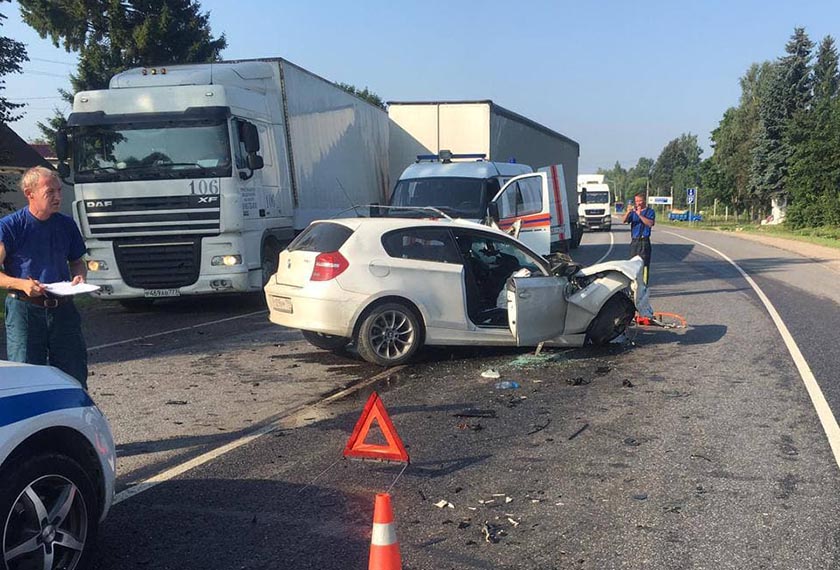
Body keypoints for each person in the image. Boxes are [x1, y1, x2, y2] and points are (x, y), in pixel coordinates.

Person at [0, 166, 89, 387]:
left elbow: (77, 261)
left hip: (63, 309)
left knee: (74, 376)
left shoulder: (67, 225)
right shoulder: (10, 226)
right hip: (25, 311)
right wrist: (21, 284)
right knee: (26, 377)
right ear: (29, 194)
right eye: (50, 192)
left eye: (59, 191)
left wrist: (79, 277)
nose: (58, 197)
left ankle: (75, 419)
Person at [622, 192, 655, 283]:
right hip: (635, 241)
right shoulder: (633, 212)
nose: (637, 203)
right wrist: (628, 212)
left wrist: (640, 215)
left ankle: (644, 284)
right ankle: (633, 285)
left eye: (639, 201)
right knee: (632, 265)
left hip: (644, 242)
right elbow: (624, 221)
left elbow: (650, 223)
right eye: (636, 201)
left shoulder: (650, 211)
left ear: (644, 201)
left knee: (644, 266)